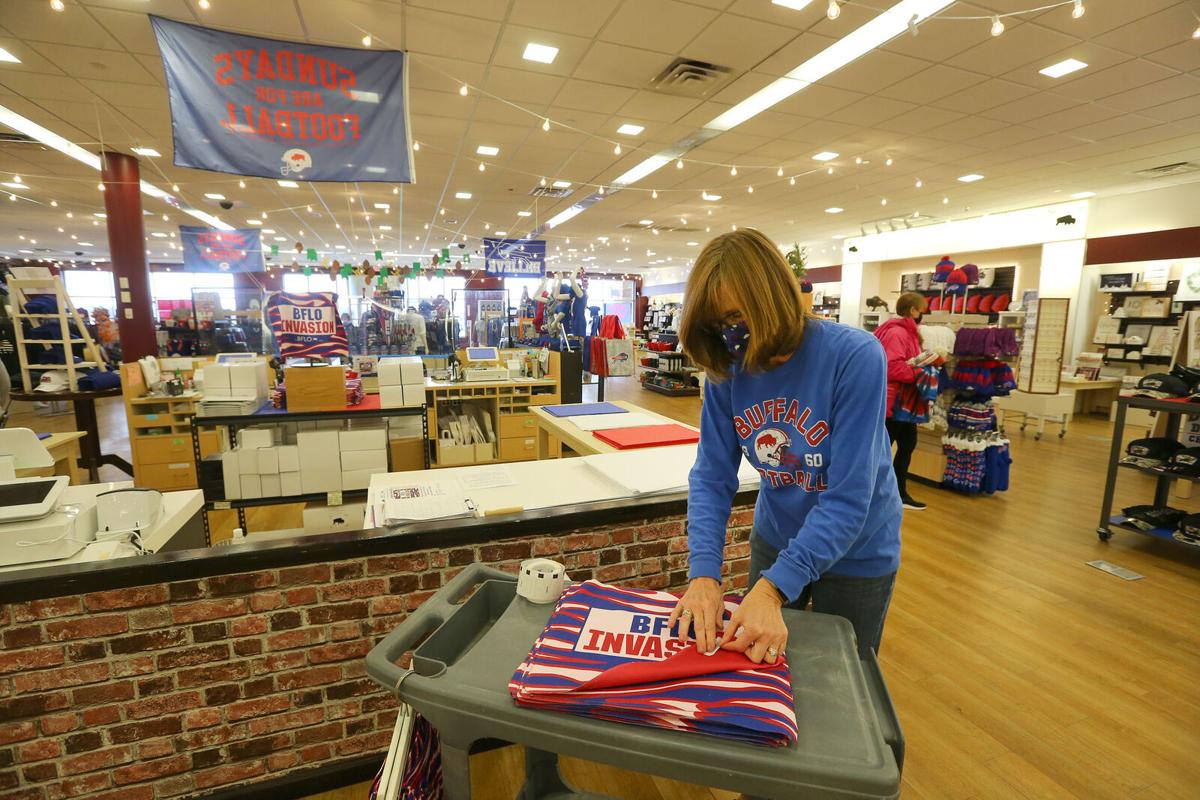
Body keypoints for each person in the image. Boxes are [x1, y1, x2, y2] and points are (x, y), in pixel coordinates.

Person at [668, 228, 901, 665]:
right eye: (719, 325)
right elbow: (712, 476)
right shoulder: (728, 368)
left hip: (859, 551)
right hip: (777, 535)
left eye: (736, 317)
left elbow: (849, 497)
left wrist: (775, 588)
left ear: (770, 299)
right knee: (757, 663)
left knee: (845, 675)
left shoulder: (855, 356)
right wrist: (703, 573)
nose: (730, 335)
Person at [874, 292, 929, 511]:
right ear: (913, 309)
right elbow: (892, 366)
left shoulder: (907, 333)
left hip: (904, 401)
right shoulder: (898, 333)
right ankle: (883, 494)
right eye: (920, 309)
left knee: (906, 445)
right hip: (895, 401)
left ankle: (896, 493)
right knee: (886, 449)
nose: (922, 313)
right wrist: (919, 371)